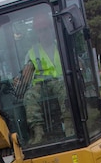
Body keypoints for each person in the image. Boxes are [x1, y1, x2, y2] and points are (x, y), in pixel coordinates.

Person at [21, 11, 73, 144]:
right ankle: (38, 133)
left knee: (65, 91)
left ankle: (70, 128)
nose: (43, 34)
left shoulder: (61, 47)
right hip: (40, 88)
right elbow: (26, 78)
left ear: (51, 29)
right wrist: (22, 77)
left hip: (61, 83)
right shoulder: (32, 53)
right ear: (37, 34)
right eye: (40, 31)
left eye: (45, 29)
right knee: (29, 96)